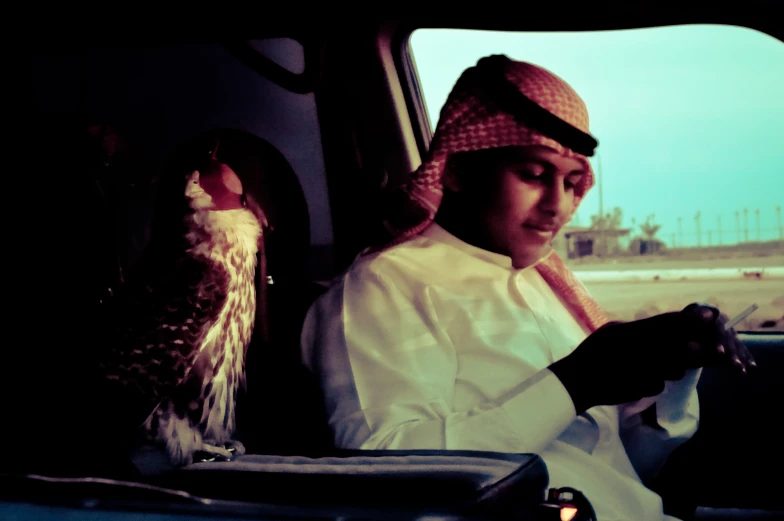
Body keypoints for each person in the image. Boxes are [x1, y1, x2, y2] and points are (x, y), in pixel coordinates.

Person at [300, 54, 755, 521]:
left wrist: (675, 370)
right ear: (457, 171)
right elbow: (386, 466)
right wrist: (576, 382)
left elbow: (626, 470)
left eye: (573, 182)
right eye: (534, 176)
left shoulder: (547, 285)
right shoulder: (386, 285)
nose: (557, 204)